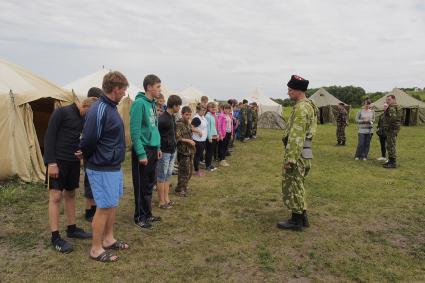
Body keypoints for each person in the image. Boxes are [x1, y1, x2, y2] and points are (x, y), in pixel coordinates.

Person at [80, 71, 129, 262]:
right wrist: (94, 159)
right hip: (101, 166)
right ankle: (96, 248)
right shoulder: (99, 109)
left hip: (112, 165)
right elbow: (89, 140)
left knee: (112, 204)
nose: (125, 93)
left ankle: (108, 239)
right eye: (123, 89)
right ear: (115, 89)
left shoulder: (111, 107)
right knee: (104, 206)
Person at [44, 97, 97, 253]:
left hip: (73, 162)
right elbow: (49, 137)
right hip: (58, 162)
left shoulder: (83, 118)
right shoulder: (61, 112)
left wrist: (82, 151)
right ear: (85, 105)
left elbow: (81, 139)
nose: (90, 117)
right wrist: (51, 163)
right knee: (55, 197)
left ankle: (72, 229)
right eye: (89, 113)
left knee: (71, 194)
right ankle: (55, 237)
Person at [277, 75, 317, 231]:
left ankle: (296, 221)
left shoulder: (301, 108)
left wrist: (290, 159)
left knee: (293, 186)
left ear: (298, 91)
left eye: (290, 90)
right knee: (298, 185)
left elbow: (296, 136)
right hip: (305, 152)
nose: (288, 93)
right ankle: (302, 216)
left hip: (298, 154)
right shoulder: (309, 106)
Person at [130, 74, 162, 230]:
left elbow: (154, 128)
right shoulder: (138, 104)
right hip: (142, 150)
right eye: (158, 86)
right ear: (149, 87)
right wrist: (141, 153)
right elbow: (135, 132)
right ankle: (139, 216)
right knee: (141, 185)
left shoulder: (153, 104)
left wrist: (158, 147)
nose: (159, 90)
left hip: (152, 148)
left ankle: (148, 213)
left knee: (149, 184)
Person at [157, 95, 181, 209]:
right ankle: (161, 201)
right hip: (164, 151)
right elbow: (157, 136)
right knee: (162, 176)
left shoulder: (172, 117)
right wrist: (159, 149)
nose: (179, 108)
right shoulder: (163, 118)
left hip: (172, 150)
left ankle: (166, 198)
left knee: (168, 176)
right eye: (179, 106)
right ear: (174, 105)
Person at [84, 87, 104, 222]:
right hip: (89, 153)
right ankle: (89, 210)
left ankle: (93, 207)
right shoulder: (89, 114)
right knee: (89, 182)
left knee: (94, 183)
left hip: (94, 152)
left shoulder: (94, 112)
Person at [175, 106, 196, 196]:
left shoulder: (188, 123)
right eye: (186, 114)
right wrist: (188, 141)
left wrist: (197, 131)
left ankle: (184, 186)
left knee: (190, 170)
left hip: (190, 150)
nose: (188, 116)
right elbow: (177, 138)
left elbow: (190, 130)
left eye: (190, 115)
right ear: (182, 114)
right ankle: (180, 189)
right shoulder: (178, 124)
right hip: (183, 151)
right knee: (184, 171)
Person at [383, 95, 401, 168]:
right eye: (387, 100)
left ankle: (392, 162)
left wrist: (387, 126)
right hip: (392, 128)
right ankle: (390, 161)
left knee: (391, 145)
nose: (387, 101)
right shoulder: (395, 107)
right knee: (389, 144)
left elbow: (393, 119)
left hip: (392, 129)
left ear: (394, 99)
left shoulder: (392, 108)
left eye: (389, 100)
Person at [192, 103, 208, 177]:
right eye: (202, 110)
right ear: (198, 110)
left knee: (199, 155)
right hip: (197, 140)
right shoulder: (196, 118)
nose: (203, 111)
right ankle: (196, 171)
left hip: (202, 140)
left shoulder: (203, 117)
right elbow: (191, 128)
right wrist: (198, 131)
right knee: (197, 156)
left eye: (205, 110)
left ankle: (196, 169)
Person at [205, 102, 219, 171]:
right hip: (210, 137)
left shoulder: (214, 115)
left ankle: (210, 164)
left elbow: (216, 126)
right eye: (212, 107)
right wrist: (209, 137)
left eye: (214, 107)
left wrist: (218, 134)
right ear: (208, 108)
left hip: (215, 136)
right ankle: (207, 166)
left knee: (212, 151)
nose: (213, 108)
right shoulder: (207, 116)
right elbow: (207, 128)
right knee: (209, 152)